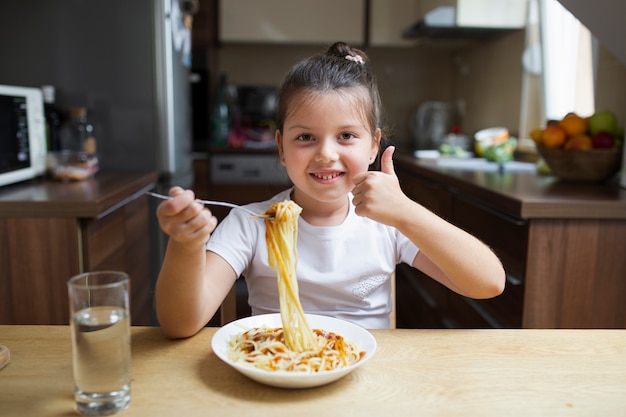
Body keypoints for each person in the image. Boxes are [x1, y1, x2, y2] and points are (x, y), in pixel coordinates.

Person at [154, 42, 505, 339]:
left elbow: (488, 283)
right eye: (305, 137)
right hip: (279, 372)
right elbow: (179, 324)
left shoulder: (389, 224)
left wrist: (406, 212)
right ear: (281, 148)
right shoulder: (250, 223)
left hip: (368, 382)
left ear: (373, 146)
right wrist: (185, 246)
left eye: (346, 136)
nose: (325, 154)